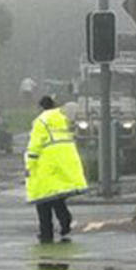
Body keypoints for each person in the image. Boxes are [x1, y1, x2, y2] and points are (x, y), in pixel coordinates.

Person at [25, 95, 87, 243]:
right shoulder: (63, 118)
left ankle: (46, 232)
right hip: (66, 160)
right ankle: (65, 221)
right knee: (58, 196)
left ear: (41, 107)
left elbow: (35, 145)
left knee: (43, 200)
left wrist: (30, 165)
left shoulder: (40, 121)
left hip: (48, 163)